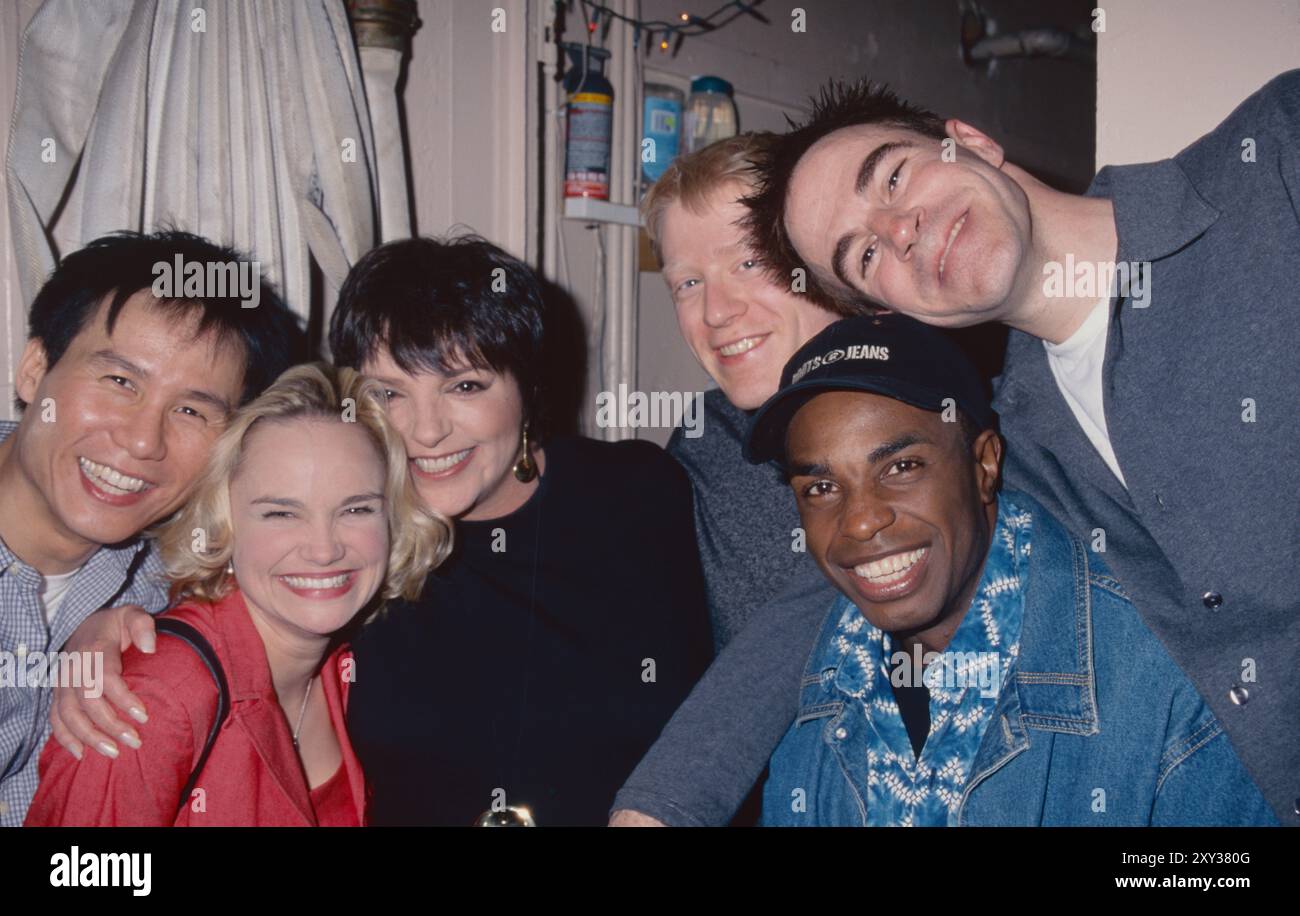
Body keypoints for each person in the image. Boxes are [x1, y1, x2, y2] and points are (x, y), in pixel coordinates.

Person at [614, 71, 1300, 826]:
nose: (899, 229)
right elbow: (841, 574)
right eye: (864, 255)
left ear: (970, 141)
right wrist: (660, 805)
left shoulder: (1273, 159)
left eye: (895, 176)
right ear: (882, 308)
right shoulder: (1024, 431)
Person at [746, 316, 1273, 826]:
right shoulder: (821, 676)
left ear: (985, 464)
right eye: (820, 488)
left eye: (901, 467)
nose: (860, 521)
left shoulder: (1165, 670)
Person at [326, 235, 713, 826]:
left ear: (526, 391)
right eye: (389, 393)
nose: (425, 431)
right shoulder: (342, 541)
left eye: (465, 386)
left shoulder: (640, 494)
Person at [25, 363, 450, 825]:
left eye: (357, 508)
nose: (325, 550)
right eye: (281, 514)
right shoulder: (156, 697)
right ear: (224, 528)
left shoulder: (348, 668)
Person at [0, 230, 303, 826]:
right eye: (120, 382)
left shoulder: (182, 565)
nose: (142, 441)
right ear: (36, 369)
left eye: (192, 410)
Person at [640, 132, 845, 651]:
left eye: (749, 263)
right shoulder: (707, 441)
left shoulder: (945, 415)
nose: (715, 311)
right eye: (688, 284)